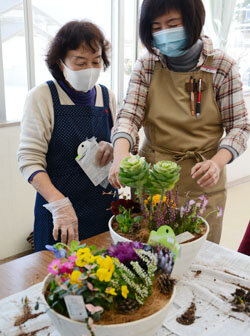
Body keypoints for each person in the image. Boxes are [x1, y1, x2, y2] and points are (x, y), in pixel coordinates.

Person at [109, 0, 250, 244]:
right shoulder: (147, 65)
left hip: (203, 178)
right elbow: (129, 116)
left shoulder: (222, 67)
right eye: (156, 27)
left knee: (198, 258)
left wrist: (217, 163)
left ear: (193, 21)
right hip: (152, 179)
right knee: (150, 258)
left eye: (172, 24)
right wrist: (120, 156)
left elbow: (240, 126)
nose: (164, 33)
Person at [18, 20, 117, 251]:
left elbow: (121, 144)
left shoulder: (107, 96)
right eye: (80, 62)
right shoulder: (42, 97)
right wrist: (59, 204)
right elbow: (28, 160)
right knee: (60, 279)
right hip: (59, 213)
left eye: (95, 62)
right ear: (60, 62)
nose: (89, 69)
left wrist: (111, 149)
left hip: (102, 209)